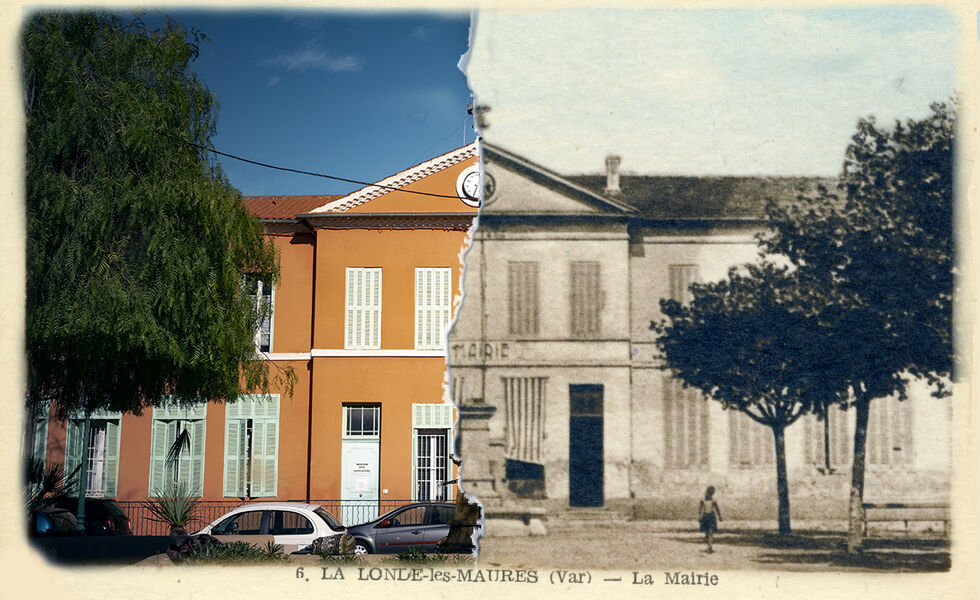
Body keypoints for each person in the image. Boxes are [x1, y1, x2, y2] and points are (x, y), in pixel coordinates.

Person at [698, 486, 722, 553]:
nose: (709, 494)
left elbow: (717, 509)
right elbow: (700, 509)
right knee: (707, 533)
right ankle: (709, 546)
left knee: (710, 533)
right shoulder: (703, 500)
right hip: (707, 516)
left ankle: (709, 547)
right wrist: (700, 516)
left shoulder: (713, 500)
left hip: (709, 516)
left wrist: (719, 516)